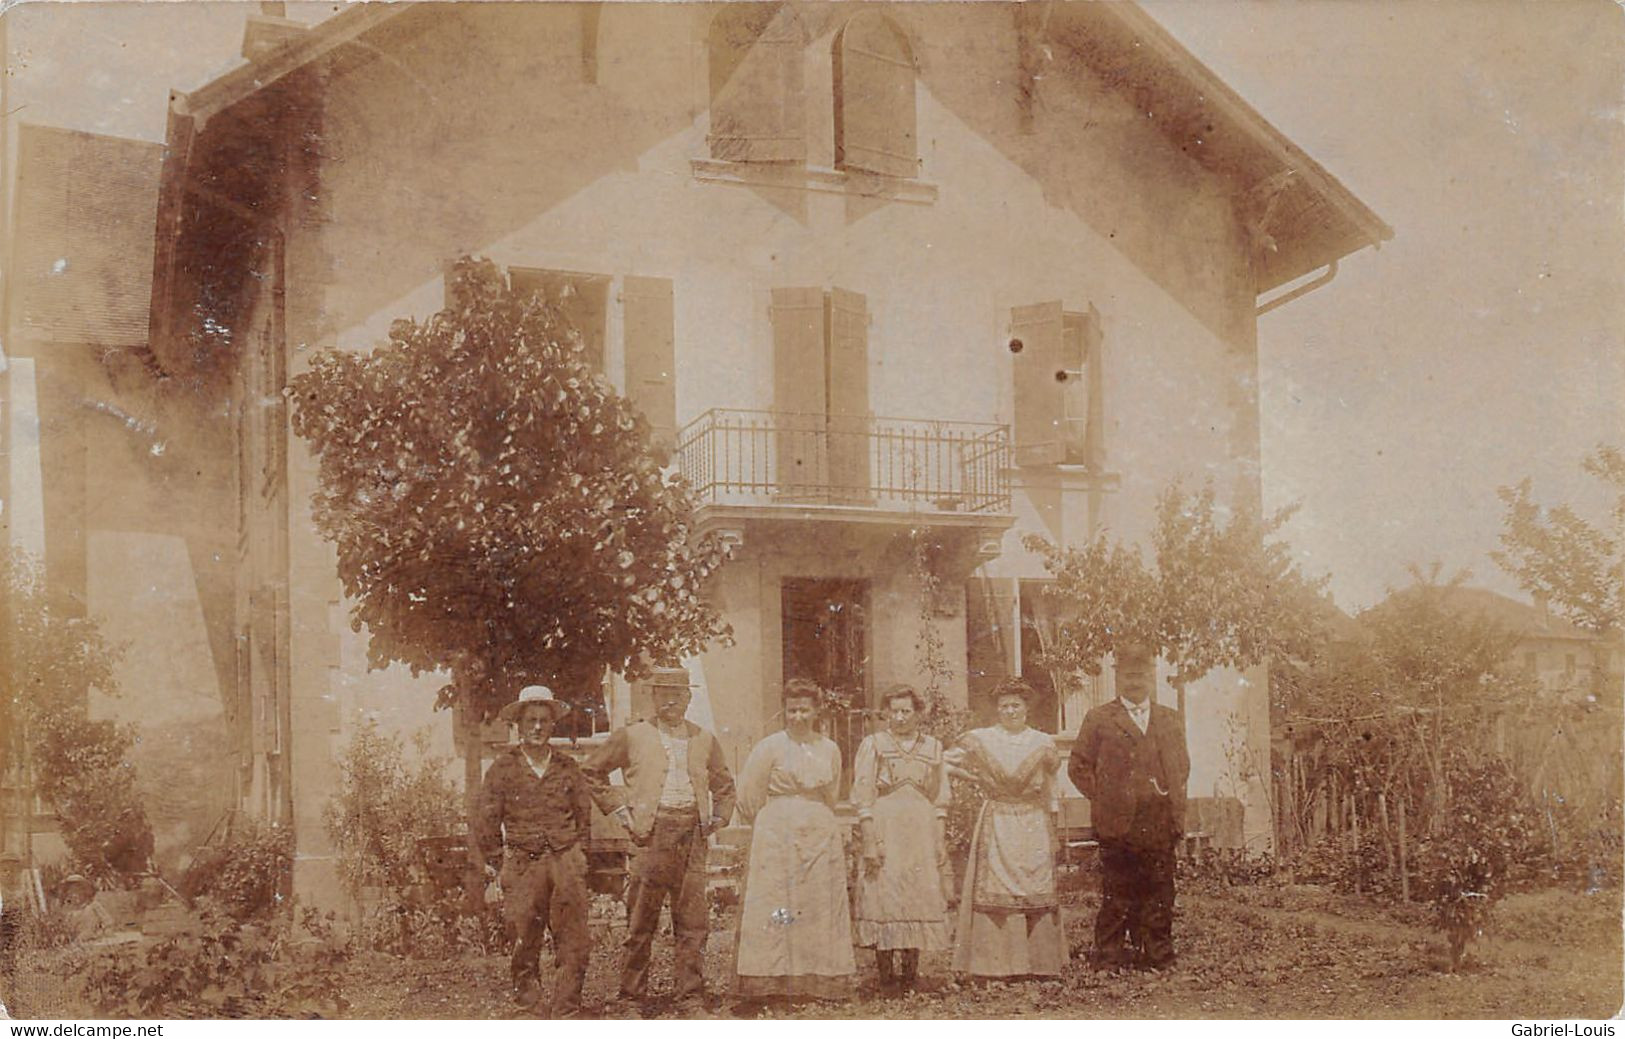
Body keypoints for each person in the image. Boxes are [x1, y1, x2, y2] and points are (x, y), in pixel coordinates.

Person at [585, 666, 736, 1015]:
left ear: (689, 697)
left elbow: (724, 785)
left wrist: (718, 819)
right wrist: (621, 810)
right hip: (649, 835)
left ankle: (690, 997)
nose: (671, 700)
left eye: (678, 693)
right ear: (653, 697)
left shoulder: (704, 738)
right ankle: (631, 998)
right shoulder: (633, 735)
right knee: (641, 921)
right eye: (663, 693)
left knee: (693, 923)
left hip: (692, 836)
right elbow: (591, 771)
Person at [732, 678, 856, 1007]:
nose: (797, 717)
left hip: (818, 827)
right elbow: (747, 795)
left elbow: (833, 793)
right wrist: (771, 821)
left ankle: (815, 979)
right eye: (791, 710)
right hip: (776, 829)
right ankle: (771, 980)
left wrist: (818, 819)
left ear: (816, 711)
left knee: (816, 902)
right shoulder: (769, 746)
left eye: (804, 710)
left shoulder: (829, 748)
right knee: (776, 902)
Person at [1069, 643, 1190, 971]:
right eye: (1127, 675)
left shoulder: (1169, 719)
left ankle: (1158, 956)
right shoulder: (1099, 719)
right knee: (1117, 892)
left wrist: (1173, 805)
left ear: (1152, 676)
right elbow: (1078, 766)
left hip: (1159, 821)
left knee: (1160, 892)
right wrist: (1107, 797)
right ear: (1117, 678)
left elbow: (1182, 766)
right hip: (1117, 823)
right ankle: (1108, 956)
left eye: (1141, 675)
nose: (1135, 682)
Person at [476, 684, 593, 1018]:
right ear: (519, 724)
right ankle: (529, 1008)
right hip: (522, 862)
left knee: (573, 940)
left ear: (553, 724)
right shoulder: (502, 768)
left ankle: (566, 1010)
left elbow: (584, 816)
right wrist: (498, 864)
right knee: (524, 938)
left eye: (544, 720)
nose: (538, 727)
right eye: (531, 721)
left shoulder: (568, 767)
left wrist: (579, 855)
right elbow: (486, 819)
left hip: (565, 859)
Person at [947, 678, 1066, 980]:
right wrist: (974, 779)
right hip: (997, 816)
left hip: (1032, 819)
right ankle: (995, 966)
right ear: (997, 710)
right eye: (1004, 706)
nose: (1010, 711)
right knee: (996, 886)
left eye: (1016, 705)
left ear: (1027, 708)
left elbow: (1051, 786)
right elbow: (944, 762)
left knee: (1034, 885)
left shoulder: (1042, 742)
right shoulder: (981, 738)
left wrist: (1054, 819)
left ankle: (1039, 965)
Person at [852, 683, 952, 994]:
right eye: (893, 711)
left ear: (918, 713)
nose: (899, 717)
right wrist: (869, 838)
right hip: (886, 827)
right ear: (885, 713)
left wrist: (939, 839)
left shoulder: (933, 747)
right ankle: (885, 978)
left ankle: (910, 976)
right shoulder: (874, 744)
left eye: (906, 711)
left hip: (920, 831)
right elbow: (863, 794)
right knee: (885, 893)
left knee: (916, 893)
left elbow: (940, 797)